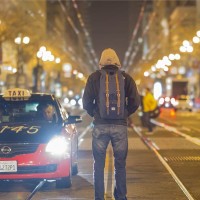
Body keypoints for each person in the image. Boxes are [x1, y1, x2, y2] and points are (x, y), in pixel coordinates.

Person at [83, 48, 140, 200]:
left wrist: (96, 114)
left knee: (98, 165)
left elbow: (86, 102)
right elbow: (135, 101)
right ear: (117, 61)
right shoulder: (126, 78)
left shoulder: (94, 78)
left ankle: (99, 197)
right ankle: (121, 197)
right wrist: (124, 114)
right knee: (120, 164)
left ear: (101, 62)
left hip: (100, 126)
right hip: (120, 127)